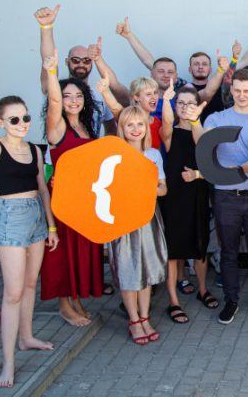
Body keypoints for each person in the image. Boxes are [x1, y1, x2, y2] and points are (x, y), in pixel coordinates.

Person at [190, 67, 248, 324]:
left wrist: (238, 169)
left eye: (247, 91)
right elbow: (202, 144)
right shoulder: (216, 118)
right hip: (225, 197)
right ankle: (231, 300)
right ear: (231, 90)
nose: (241, 95)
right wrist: (195, 121)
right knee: (228, 252)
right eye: (237, 90)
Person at [0, 96, 59, 388]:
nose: (22, 124)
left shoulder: (34, 149)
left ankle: (26, 338)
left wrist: (51, 226)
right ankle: (8, 363)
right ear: (0, 123)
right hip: (12, 220)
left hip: (36, 221)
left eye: (26, 118)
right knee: (13, 293)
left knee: (31, 284)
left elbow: (42, 189)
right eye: (14, 119)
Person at [40, 51, 104, 326]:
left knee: (80, 250)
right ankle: (64, 305)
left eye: (78, 96)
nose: (73, 101)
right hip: (63, 199)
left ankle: (76, 297)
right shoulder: (57, 126)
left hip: (84, 199)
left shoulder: (86, 127)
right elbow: (53, 99)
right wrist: (52, 72)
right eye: (67, 96)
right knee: (63, 253)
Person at [117, 16, 248, 117]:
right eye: (196, 64)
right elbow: (149, 61)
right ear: (189, 69)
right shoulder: (180, 86)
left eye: (205, 64)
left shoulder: (221, 81)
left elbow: (246, 60)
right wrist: (129, 36)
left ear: (210, 68)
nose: (200, 67)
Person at [107, 106, 168, 345]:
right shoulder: (114, 155)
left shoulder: (153, 155)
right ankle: (133, 320)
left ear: (146, 128)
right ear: (121, 128)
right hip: (123, 219)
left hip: (148, 218)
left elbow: (163, 189)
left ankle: (145, 317)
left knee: (146, 269)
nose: (135, 129)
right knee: (127, 269)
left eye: (139, 124)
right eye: (129, 125)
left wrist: (146, 187)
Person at [159, 85, 219, 324]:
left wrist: (195, 121)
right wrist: (166, 100)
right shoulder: (170, 133)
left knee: (200, 246)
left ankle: (202, 289)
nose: (185, 108)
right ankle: (173, 300)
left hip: (197, 194)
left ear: (197, 107)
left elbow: (205, 150)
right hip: (173, 198)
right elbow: (165, 123)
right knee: (173, 252)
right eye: (180, 103)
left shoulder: (202, 130)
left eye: (190, 104)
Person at [35, 5, 128, 136]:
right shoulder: (56, 88)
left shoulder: (101, 92)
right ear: (67, 62)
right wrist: (46, 28)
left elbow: (111, 127)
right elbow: (48, 59)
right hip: (63, 154)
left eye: (86, 60)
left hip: (91, 155)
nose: (81, 64)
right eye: (75, 60)